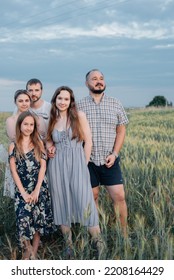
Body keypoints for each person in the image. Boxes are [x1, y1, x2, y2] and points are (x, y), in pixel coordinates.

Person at [46, 86, 104, 258]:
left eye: (66, 99)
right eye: (59, 98)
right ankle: (69, 246)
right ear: (55, 100)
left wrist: (83, 165)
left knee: (86, 203)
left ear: (71, 101)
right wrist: (50, 148)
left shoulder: (79, 116)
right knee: (61, 202)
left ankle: (100, 245)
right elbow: (48, 139)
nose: (62, 102)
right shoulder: (52, 118)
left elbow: (89, 142)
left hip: (78, 164)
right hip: (56, 166)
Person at [77, 69, 129, 236]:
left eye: (101, 78)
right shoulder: (79, 105)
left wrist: (114, 153)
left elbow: (121, 130)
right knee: (93, 197)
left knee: (119, 197)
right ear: (87, 84)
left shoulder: (115, 103)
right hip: (88, 161)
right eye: (94, 79)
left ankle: (124, 234)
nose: (98, 81)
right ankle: (97, 234)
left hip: (109, 160)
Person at [8, 111, 54, 260]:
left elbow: (43, 167)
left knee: (37, 222)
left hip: (39, 188)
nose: (28, 127)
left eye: (31, 124)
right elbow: (14, 171)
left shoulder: (38, 143)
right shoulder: (13, 146)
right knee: (23, 221)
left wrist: (36, 191)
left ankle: (30, 256)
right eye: (25, 124)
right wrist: (23, 193)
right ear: (20, 125)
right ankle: (28, 252)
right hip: (22, 190)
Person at [4, 89, 46, 199]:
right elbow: (17, 140)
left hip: (35, 160)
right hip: (19, 160)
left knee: (38, 193)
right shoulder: (11, 120)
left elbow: (43, 138)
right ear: (15, 102)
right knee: (19, 195)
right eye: (20, 101)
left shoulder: (37, 119)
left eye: (27, 100)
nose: (24, 103)